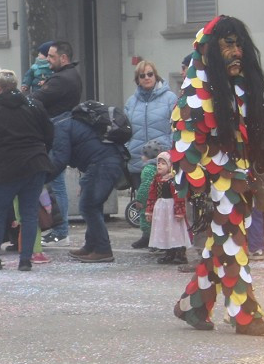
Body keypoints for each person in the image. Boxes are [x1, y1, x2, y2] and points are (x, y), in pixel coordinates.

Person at [171, 15, 264, 335]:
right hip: (215, 180)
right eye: (229, 44)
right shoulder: (196, 91)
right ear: (213, 48)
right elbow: (184, 144)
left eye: (240, 44)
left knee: (222, 243)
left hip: (237, 176)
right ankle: (244, 315)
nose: (237, 51)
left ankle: (193, 304)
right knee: (231, 242)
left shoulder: (236, 87)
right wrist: (197, 187)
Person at [0, 69, 54, 272]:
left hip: (7, 167)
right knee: (28, 213)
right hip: (35, 164)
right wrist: (42, 153)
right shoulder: (34, 106)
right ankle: (26, 260)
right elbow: (49, 133)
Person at [48, 101, 126, 263]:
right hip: (108, 162)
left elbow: (60, 160)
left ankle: (103, 250)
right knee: (92, 205)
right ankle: (90, 246)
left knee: (88, 206)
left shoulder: (59, 127)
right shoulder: (70, 120)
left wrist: (42, 179)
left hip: (102, 164)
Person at [31, 40, 82, 247]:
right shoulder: (68, 76)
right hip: (58, 128)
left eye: (51, 57)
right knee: (55, 182)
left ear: (63, 58)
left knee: (56, 182)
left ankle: (61, 230)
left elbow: (37, 98)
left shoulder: (62, 79)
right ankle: (60, 229)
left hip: (57, 129)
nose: (47, 60)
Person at [124, 59, 179, 247]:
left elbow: (176, 127)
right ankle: (147, 236)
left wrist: (169, 148)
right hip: (138, 157)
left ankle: (163, 239)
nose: (147, 78)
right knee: (143, 199)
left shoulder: (170, 98)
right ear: (137, 80)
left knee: (162, 202)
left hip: (161, 159)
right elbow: (126, 129)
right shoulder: (131, 102)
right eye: (142, 75)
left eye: (150, 74)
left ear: (156, 76)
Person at [145, 151, 190, 264]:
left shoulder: (173, 180)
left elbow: (178, 196)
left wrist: (179, 211)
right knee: (164, 229)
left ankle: (180, 253)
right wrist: (149, 210)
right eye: (158, 163)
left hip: (171, 208)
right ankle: (169, 252)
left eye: (163, 163)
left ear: (170, 166)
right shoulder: (157, 179)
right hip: (160, 208)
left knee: (175, 230)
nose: (159, 165)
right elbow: (152, 194)